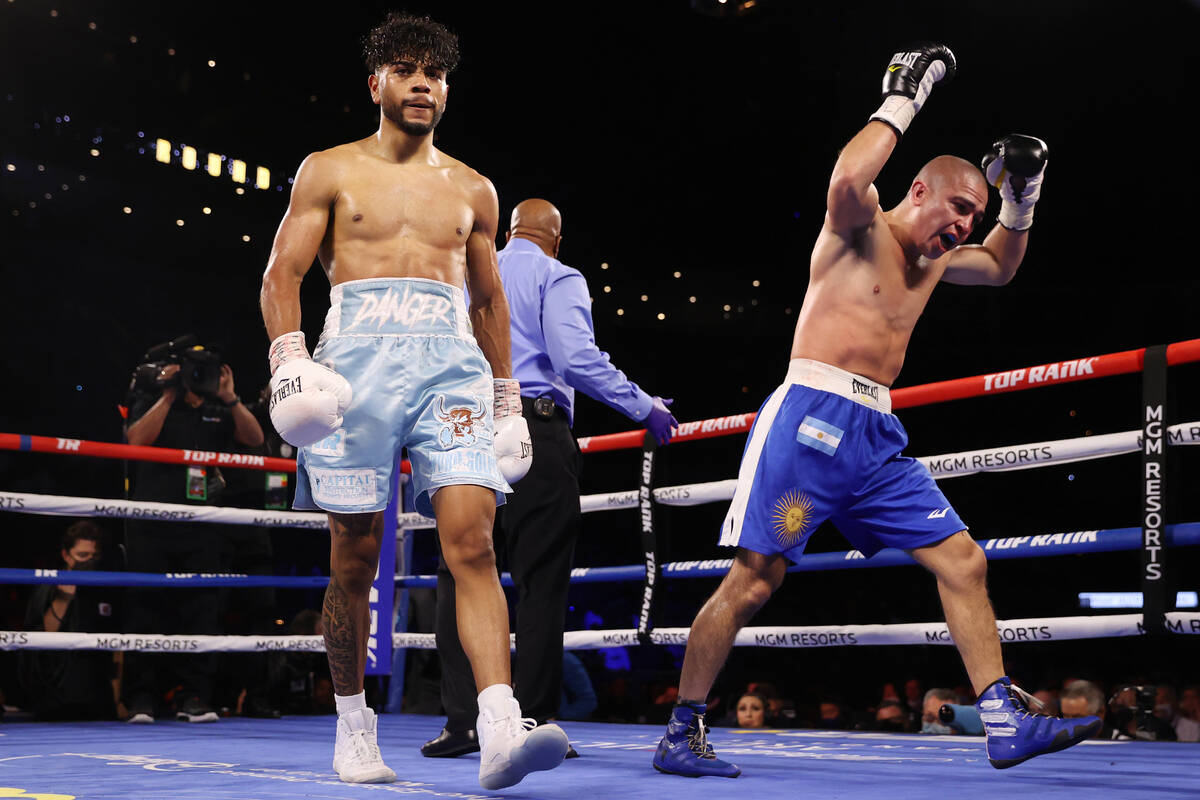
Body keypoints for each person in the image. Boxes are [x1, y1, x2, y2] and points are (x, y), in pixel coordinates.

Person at [652, 42, 1100, 779]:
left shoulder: (936, 262)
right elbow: (848, 175)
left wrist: (1024, 194)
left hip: (875, 437)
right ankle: (681, 729)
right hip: (809, 418)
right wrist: (904, 97)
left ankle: (1000, 721)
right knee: (755, 580)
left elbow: (1003, 264)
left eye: (975, 215)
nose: (964, 227)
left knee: (963, 560)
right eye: (960, 207)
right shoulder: (856, 229)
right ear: (919, 190)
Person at [258, 13, 566, 789]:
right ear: (378, 84)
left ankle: (500, 729)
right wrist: (289, 358)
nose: (422, 81)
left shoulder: (474, 189)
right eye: (405, 68)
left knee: (473, 543)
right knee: (354, 558)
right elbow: (280, 276)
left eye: (434, 71)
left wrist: (507, 398)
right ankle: (354, 727)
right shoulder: (328, 170)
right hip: (354, 365)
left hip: (449, 371)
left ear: (447, 88)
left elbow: (489, 304)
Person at [422, 198, 676, 759]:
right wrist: (643, 407)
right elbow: (575, 356)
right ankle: (529, 724)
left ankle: (464, 721)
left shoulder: (467, 273)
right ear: (556, 240)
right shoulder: (556, 274)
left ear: (510, 231)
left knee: (458, 572)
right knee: (540, 582)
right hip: (532, 426)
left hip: (461, 425)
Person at [122, 346, 264, 724]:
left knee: (201, 611)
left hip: (201, 525)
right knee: (144, 609)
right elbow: (135, 441)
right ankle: (141, 700)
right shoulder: (152, 399)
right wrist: (169, 393)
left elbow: (254, 439)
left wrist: (231, 398)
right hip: (150, 523)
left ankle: (193, 696)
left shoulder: (219, 409)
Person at [18, 521, 119, 720]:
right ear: (66, 555)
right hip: (55, 697)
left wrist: (117, 699)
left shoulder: (105, 588)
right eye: (82, 556)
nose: (89, 561)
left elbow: (117, 646)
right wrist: (65, 596)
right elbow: (43, 638)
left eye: (94, 556)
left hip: (98, 697)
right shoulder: (48, 586)